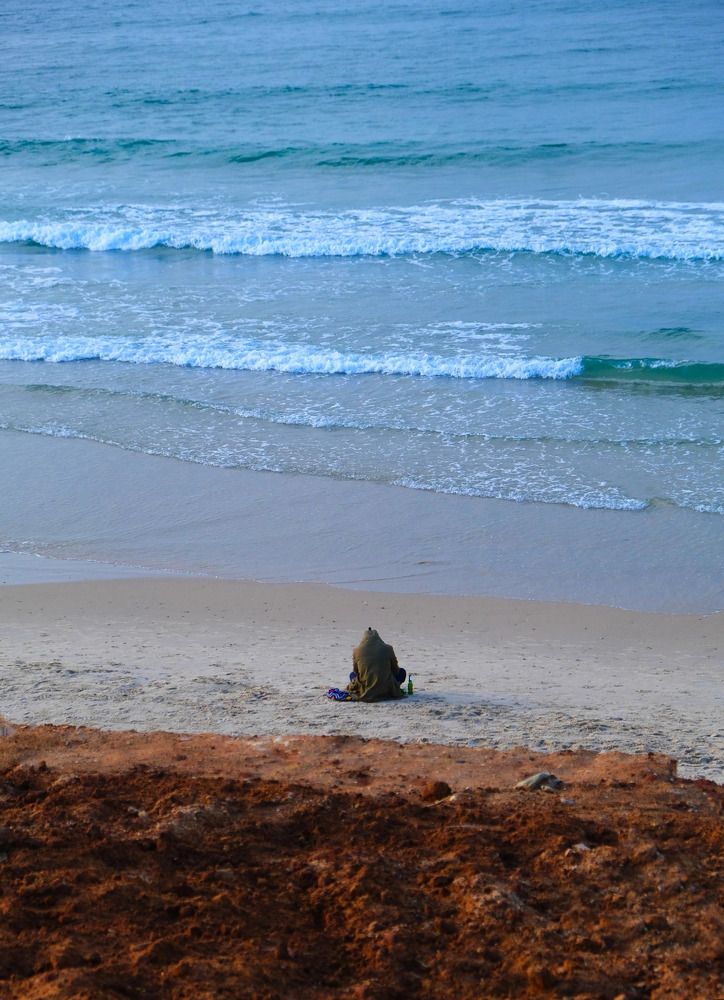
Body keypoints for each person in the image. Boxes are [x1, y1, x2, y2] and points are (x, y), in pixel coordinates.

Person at [346, 627, 406, 702]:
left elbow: (356, 671)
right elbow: (395, 669)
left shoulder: (357, 651)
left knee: (352, 675)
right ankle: (391, 689)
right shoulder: (388, 648)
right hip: (386, 686)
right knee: (402, 672)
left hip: (366, 686)